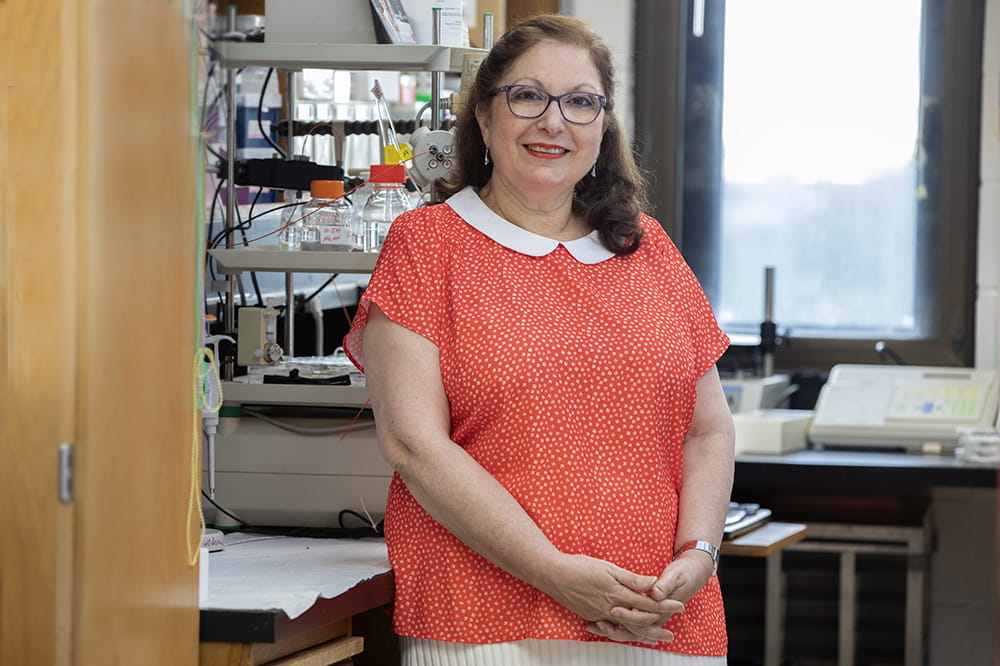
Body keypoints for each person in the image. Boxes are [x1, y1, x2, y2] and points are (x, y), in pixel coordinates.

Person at [344, 13, 735, 665]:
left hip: (657, 618)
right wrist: (556, 573)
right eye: (528, 96)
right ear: (484, 117)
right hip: (486, 626)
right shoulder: (427, 247)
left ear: (602, 127)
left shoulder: (648, 248)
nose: (554, 122)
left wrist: (699, 552)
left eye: (581, 102)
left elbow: (709, 431)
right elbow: (414, 445)